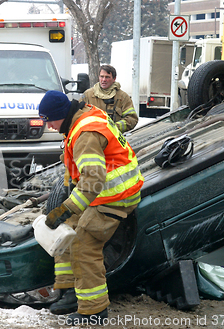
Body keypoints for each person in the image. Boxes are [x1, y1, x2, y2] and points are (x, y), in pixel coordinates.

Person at [38, 90, 144, 325]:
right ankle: (69, 293)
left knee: (83, 244)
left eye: (49, 121)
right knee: (64, 233)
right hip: (101, 194)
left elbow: (93, 179)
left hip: (115, 196)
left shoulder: (85, 133)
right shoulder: (82, 117)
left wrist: (65, 209)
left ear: (59, 115)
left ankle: (93, 311)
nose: (50, 127)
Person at [80, 64, 138, 134]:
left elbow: (132, 119)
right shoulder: (88, 95)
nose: (104, 80)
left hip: (113, 139)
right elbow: (76, 115)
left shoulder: (122, 97)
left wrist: (113, 127)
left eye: (107, 77)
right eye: (102, 76)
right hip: (91, 138)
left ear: (114, 79)